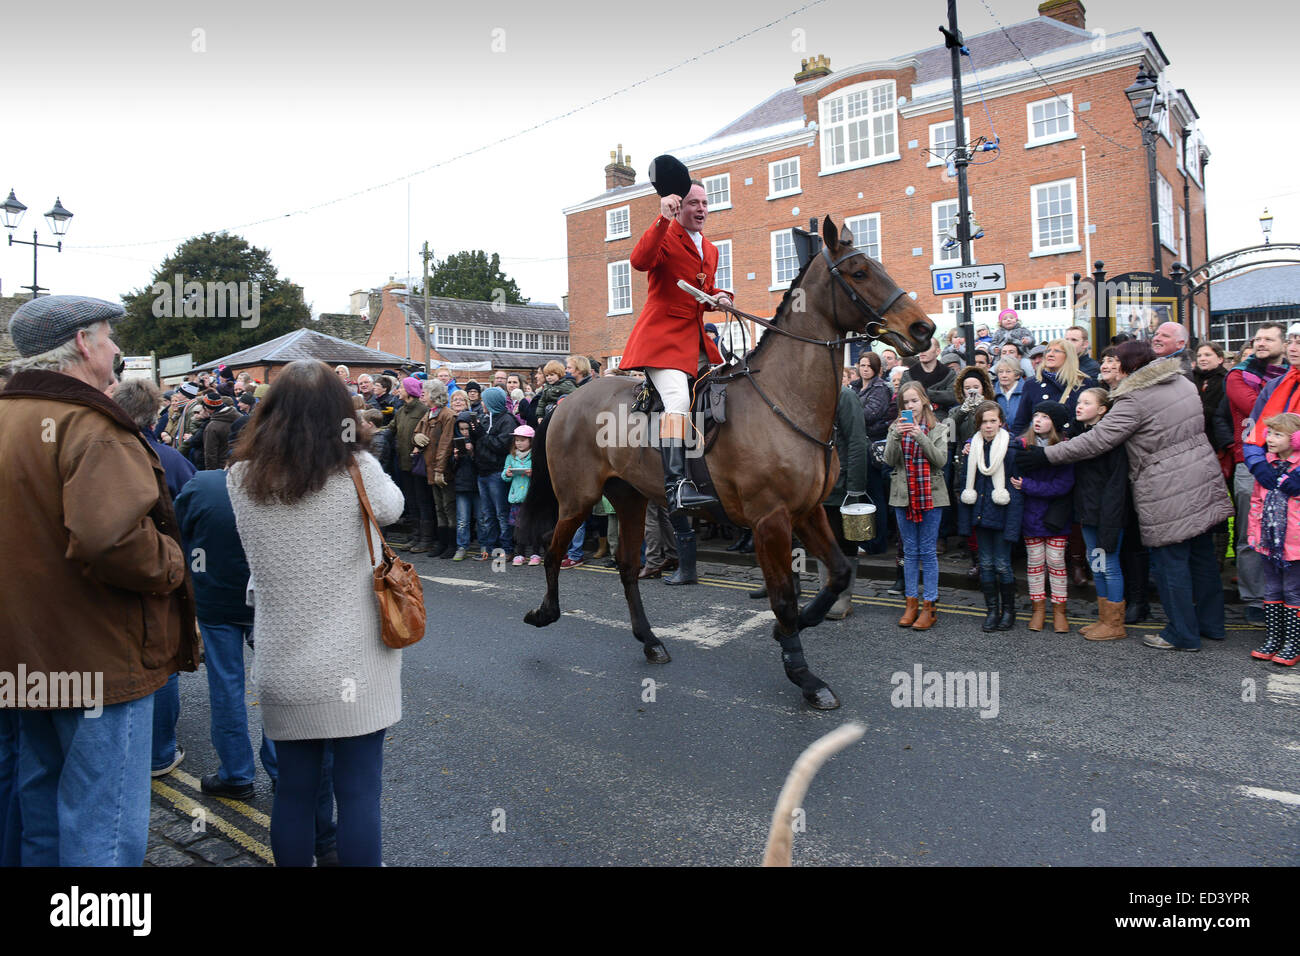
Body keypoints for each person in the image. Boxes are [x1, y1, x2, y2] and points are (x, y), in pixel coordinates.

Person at [0, 295, 199, 866]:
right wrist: (174, 560)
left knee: (40, 811)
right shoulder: (90, 424)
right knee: (102, 826)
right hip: (96, 658)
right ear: (84, 343)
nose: (116, 350)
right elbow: (109, 539)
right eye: (110, 337)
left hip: (25, 655)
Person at [227, 359, 404, 866]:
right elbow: (392, 509)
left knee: (294, 794)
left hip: (283, 663)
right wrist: (361, 449)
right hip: (357, 664)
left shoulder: (240, 477)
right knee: (358, 794)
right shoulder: (356, 470)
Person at [1017, 340, 1234, 652]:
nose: (1110, 366)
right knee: (1202, 558)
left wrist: (1046, 456)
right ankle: (1212, 625)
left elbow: (1098, 440)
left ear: (1130, 366)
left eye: (1116, 361)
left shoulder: (1134, 400)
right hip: (1201, 473)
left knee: (1170, 564)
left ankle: (1182, 634)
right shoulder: (1183, 382)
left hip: (1166, 486)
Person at [618, 178, 730, 513]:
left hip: (694, 340)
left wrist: (720, 297)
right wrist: (662, 219)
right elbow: (639, 261)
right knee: (679, 399)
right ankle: (676, 485)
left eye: (705, 203)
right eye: (694, 203)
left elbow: (703, 291)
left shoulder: (710, 249)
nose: (701, 210)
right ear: (679, 206)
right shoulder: (666, 233)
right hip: (661, 338)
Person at [114, 378, 198, 779]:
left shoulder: (97, 452)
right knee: (162, 661)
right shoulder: (169, 458)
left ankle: (126, 748)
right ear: (153, 416)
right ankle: (159, 753)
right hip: (163, 571)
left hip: (110, 572)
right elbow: (193, 508)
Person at [1226, 322, 1289, 625]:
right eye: (1257, 338)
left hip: (1291, 463)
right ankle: (1254, 599)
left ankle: (1288, 600)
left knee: (1292, 535)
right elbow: (1264, 413)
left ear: (1285, 344)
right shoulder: (1239, 375)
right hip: (1251, 462)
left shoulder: (1292, 376)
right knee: (1251, 536)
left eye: (1268, 338)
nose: (1261, 343)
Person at [885, 381, 949, 630]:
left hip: (931, 496)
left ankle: (929, 605)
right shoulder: (895, 427)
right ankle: (911, 603)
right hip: (903, 495)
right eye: (905, 403)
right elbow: (890, 461)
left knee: (928, 552)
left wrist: (919, 436)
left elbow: (940, 461)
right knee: (910, 552)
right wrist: (896, 436)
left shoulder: (939, 427)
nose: (909, 406)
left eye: (913, 401)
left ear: (923, 400)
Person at [956, 401, 1023, 631]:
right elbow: (965, 483)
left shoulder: (1012, 449)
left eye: (993, 421)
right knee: (985, 564)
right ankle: (992, 610)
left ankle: (1009, 611)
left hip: (1003, 515)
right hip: (981, 515)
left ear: (1001, 422)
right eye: (984, 422)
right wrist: (966, 523)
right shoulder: (972, 448)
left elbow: (1016, 492)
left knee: (1003, 565)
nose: (988, 426)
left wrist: (1014, 526)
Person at [1010, 401, 1075, 633]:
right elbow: (996, 440)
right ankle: (1038, 610)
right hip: (1031, 515)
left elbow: (1062, 485)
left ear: (1055, 423)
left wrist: (1028, 485)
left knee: (1056, 562)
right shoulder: (1022, 444)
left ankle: (1060, 611)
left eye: (1045, 417)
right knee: (1035, 563)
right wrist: (968, 443)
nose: (1038, 420)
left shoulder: (1065, 448)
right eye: (1036, 415)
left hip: (1056, 516)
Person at [1071, 388, 1130, 640]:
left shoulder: (1112, 441)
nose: (1079, 406)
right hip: (1088, 511)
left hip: (1108, 513)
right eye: (1079, 401)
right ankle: (1104, 619)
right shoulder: (1080, 434)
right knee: (1096, 564)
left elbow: (1116, 485)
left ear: (1103, 409)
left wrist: (1110, 517)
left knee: (1110, 565)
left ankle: (1115, 624)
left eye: (1087, 402)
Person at [1245, 411, 1300, 665]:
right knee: (1272, 588)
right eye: (1270, 433)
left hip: (1294, 543)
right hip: (1269, 539)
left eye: (1278, 434)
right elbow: (1257, 501)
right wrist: (1255, 533)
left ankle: (1293, 643)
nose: (1270, 439)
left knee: (1293, 590)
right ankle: (1274, 638)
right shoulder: (1267, 467)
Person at [820, 385, 869, 619]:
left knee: (845, 540)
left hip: (842, 482)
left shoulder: (845, 396)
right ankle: (826, 594)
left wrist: (855, 487)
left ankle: (843, 598)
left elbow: (858, 441)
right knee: (822, 540)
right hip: (818, 483)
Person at [1010, 339, 1094, 440]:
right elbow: (1021, 422)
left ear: (1068, 356)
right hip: (1043, 447)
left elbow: (1091, 420)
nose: (1050, 354)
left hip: (1075, 445)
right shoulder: (1032, 384)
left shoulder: (1084, 383)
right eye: (1048, 351)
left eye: (1057, 351)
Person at [470, 386, 518, 560]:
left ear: (492, 402)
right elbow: (483, 442)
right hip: (482, 471)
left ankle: (507, 548)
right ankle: (490, 548)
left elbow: (501, 446)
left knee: (501, 513)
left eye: (485, 400)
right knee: (487, 513)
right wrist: (474, 435)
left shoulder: (507, 420)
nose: (482, 403)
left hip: (497, 472)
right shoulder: (484, 418)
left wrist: (482, 435)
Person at [412, 381, 457, 557]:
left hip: (442, 470)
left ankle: (451, 545)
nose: (422, 394)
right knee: (439, 507)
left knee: (448, 507)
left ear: (435, 394)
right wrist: (416, 437)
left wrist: (440, 470)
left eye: (426, 392)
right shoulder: (429, 414)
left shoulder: (448, 415)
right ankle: (442, 543)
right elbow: (415, 434)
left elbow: (446, 444)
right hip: (431, 468)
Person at [858, 351, 896, 555]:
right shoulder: (856, 386)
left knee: (875, 495)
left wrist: (849, 412)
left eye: (868, 366)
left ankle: (877, 542)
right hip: (858, 444)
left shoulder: (880, 387)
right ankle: (867, 538)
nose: (864, 369)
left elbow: (870, 415)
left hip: (872, 446)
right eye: (862, 365)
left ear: (876, 369)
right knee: (865, 495)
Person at [391, 377, 433, 552]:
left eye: (400, 387)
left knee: (423, 502)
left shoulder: (423, 410)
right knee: (412, 502)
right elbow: (390, 429)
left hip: (419, 464)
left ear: (408, 390)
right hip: (405, 464)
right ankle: (416, 536)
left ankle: (426, 539)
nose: (398, 390)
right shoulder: (401, 411)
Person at [503, 425, 542, 566]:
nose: (518, 443)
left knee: (534, 527)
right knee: (519, 527)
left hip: (532, 498)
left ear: (531, 441)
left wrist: (533, 474)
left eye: (522, 440)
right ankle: (520, 554)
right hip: (517, 498)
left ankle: (536, 553)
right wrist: (507, 474)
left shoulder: (536, 456)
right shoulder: (510, 457)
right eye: (516, 440)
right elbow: (504, 476)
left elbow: (542, 476)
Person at [898, 339, 958, 418]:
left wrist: (924, 393)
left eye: (927, 347)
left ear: (937, 351)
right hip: (912, 419)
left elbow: (952, 396)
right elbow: (900, 400)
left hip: (941, 421)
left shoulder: (949, 374)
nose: (922, 351)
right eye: (920, 347)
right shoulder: (908, 374)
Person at [450, 411, 480, 561]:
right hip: (461, 484)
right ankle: (462, 546)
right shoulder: (455, 441)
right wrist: (455, 458)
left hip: (477, 483)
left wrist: (473, 453)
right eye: (461, 429)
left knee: (481, 518)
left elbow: (483, 463)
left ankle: (485, 546)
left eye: (467, 429)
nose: (464, 432)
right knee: (462, 520)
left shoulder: (478, 440)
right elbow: (451, 467)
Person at [993, 358, 1025, 429]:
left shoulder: (1026, 392)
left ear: (1017, 375)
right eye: (1000, 372)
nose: (1004, 375)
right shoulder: (992, 393)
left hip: (1022, 437)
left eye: (1008, 372)